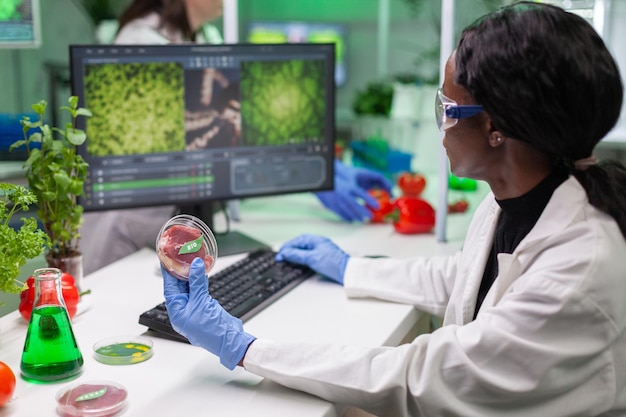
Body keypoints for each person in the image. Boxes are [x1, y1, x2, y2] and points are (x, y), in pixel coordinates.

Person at [161, 2, 626, 415]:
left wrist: (242, 347)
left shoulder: (577, 268)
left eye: (448, 108)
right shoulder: (525, 195)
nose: (440, 125)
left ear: (496, 129)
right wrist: (350, 269)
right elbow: (464, 277)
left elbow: (416, 377)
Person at [80, 0, 393, 275]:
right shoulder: (139, 43)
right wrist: (311, 173)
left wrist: (327, 167)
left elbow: (245, 120)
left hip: (176, 226)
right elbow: (203, 141)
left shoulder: (206, 37)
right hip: (131, 230)